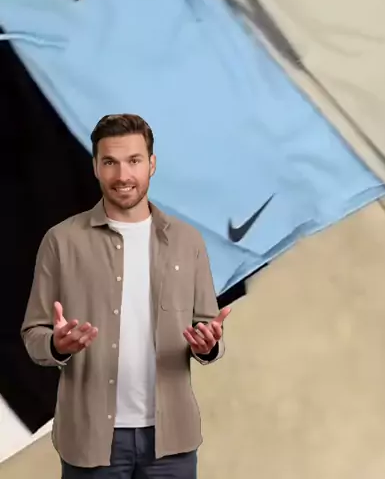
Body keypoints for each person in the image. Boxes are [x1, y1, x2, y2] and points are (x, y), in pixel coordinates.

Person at [21, 113, 230, 478]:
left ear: (152, 164)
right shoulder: (61, 241)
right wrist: (56, 345)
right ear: (95, 167)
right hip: (90, 439)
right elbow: (33, 334)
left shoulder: (187, 241)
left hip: (171, 440)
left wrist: (208, 345)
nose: (122, 175)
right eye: (110, 163)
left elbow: (208, 327)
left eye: (134, 161)